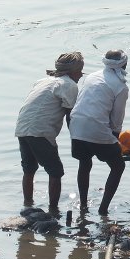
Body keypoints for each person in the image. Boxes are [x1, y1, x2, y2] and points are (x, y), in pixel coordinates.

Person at [15, 52, 84, 210]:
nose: (81, 75)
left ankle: (28, 205)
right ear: (72, 71)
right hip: (40, 131)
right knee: (56, 171)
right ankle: (53, 210)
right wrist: (77, 140)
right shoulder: (69, 85)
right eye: (80, 70)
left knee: (29, 168)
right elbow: (70, 116)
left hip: (22, 127)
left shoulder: (43, 81)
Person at [69, 50, 129, 215]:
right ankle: (103, 210)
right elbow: (117, 120)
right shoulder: (120, 86)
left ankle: (83, 206)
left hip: (76, 125)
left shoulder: (92, 76)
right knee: (118, 166)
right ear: (124, 64)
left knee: (85, 162)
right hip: (96, 128)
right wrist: (116, 142)